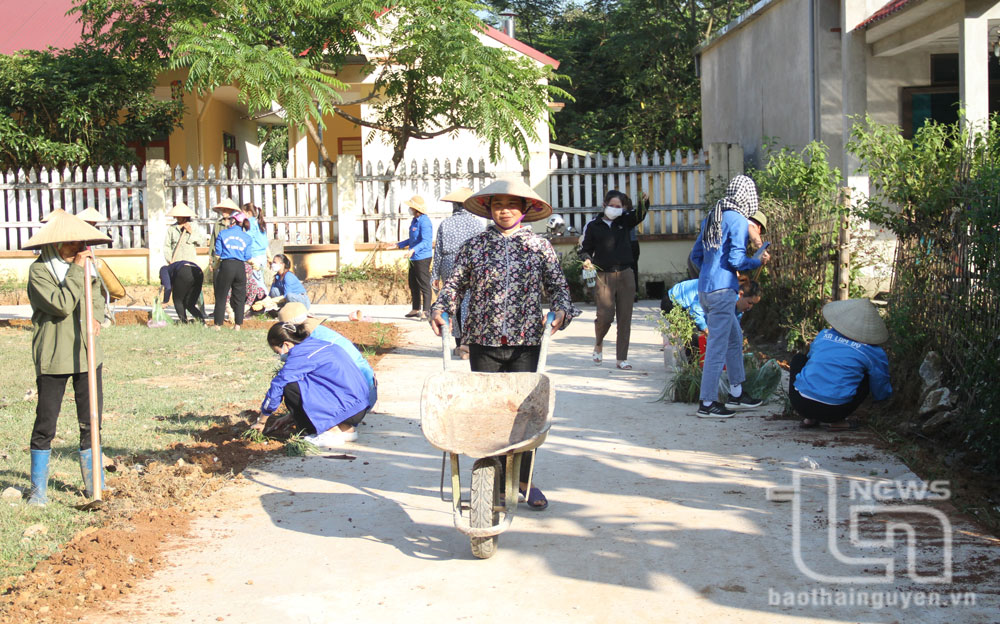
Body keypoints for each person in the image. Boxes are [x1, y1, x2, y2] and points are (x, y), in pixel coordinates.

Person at [430, 179, 580, 511]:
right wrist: (441, 309)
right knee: (487, 413)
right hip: (482, 340)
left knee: (525, 414)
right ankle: (493, 481)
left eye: (512, 205)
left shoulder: (538, 246)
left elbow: (559, 288)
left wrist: (560, 312)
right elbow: (454, 285)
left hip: (526, 340)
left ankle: (524, 480)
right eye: (498, 205)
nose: (505, 211)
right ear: (489, 208)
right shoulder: (475, 246)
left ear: (525, 209)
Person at [23, 212, 112, 504]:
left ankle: (94, 484)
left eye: (79, 244)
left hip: (86, 354)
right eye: (70, 244)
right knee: (46, 423)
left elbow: (97, 294)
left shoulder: (87, 267)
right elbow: (61, 305)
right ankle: (38, 492)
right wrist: (77, 270)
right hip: (54, 357)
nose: (76, 249)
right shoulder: (39, 272)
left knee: (91, 421)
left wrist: (96, 317)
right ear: (54, 244)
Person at [689, 174, 771, 418]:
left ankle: (736, 394)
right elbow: (736, 260)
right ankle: (707, 403)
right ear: (749, 197)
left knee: (734, 339)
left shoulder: (713, 216)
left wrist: (711, 271)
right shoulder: (737, 220)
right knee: (717, 347)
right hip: (723, 291)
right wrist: (755, 260)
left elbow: (696, 256)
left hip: (705, 289)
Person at [261, 322, 371, 448]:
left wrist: (262, 420)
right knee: (307, 380)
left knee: (290, 386)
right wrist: (290, 416)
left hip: (346, 405)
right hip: (359, 406)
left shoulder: (299, 354)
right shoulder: (319, 344)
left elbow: (277, 386)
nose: (280, 355)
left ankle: (330, 432)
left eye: (277, 352)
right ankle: (346, 429)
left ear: (286, 344)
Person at [791, 299, 892, 431]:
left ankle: (809, 419)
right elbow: (880, 381)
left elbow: (811, 360)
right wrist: (882, 399)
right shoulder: (873, 352)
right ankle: (838, 422)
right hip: (835, 410)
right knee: (869, 374)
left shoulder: (824, 335)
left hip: (800, 404)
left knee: (799, 359)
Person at [579, 190, 648, 370]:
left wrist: (644, 202)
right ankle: (599, 343)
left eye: (619, 207)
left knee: (625, 318)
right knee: (605, 316)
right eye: (613, 206)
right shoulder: (593, 226)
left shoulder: (624, 222)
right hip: (604, 276)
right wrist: (587, 260)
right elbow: (585, 249)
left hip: (626, 273)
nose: (616, 209)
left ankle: (621, 358)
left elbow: (639, 215)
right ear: (604, 205)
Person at [277, 302, 377, 410]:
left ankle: (328, 421)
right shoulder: (321, 332)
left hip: (355, 400)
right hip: (368, 391)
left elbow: (289, 375)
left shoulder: (310, 342)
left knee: (295, 384)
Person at [431, 187, 485, 359]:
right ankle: (468, 344)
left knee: (452, 301)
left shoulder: (445, 224)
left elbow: (438, 251)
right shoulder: (478, 224)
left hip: (449, 264)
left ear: (454, 206)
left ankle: (458, 343)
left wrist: (434, 275)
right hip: (471, 266)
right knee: (470, 303)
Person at [662, 278, 762, 359]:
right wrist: (706, 329)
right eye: (749, 303)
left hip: (691, 307)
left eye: (753, 304)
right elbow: (696, 310)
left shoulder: (739, 308)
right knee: (695, 337)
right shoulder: (721, 293)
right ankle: (693, 370)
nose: (750, 307)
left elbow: (731, 328)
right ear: (740, 294)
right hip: (673, 302)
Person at [161, 202, 207, 324]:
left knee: (195, 293)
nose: (178, 218)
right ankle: (183, 317)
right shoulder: (172, 229)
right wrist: (169, 259)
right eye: (177, 216)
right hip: (177, 265)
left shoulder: (194, 226)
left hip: (191, 265)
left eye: (181, 216)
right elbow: (166, 246)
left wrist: (191, 232)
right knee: (179, 294)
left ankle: (201, 312)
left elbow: (202, 241)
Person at [391, 195, 433, 320]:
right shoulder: (415, 220)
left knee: (424, 284)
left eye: (411, 207)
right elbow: (413, 239)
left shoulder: (425, 222)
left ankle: (426, 311)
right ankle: (415, 309)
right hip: (413, 257)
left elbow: (426, 241)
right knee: (413, 284)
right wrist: (398, 245)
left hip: (422, 257)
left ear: (416, 209)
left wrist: (413, 250)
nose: (409, 209)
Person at [213, 211, 252, 330]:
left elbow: (218, 253)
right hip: (240, 267)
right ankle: (238, 325)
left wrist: (215, 264)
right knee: (240, 297)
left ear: (234, 221)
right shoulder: (247, 237)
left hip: (226, 265)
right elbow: (247, 256)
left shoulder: (223, 233)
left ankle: (218, 325)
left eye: (231, 219)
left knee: (221, 295)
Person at [242, 202, 271, 291]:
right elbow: (265, 242)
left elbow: (247, 238)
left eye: (243, 213)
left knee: (257, 281)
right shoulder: (260, 222)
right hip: (262, 255)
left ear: (248, 213)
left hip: (255, 256)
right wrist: (269, 257)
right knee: (259, 279)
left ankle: (266, 300)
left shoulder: (250, 223)